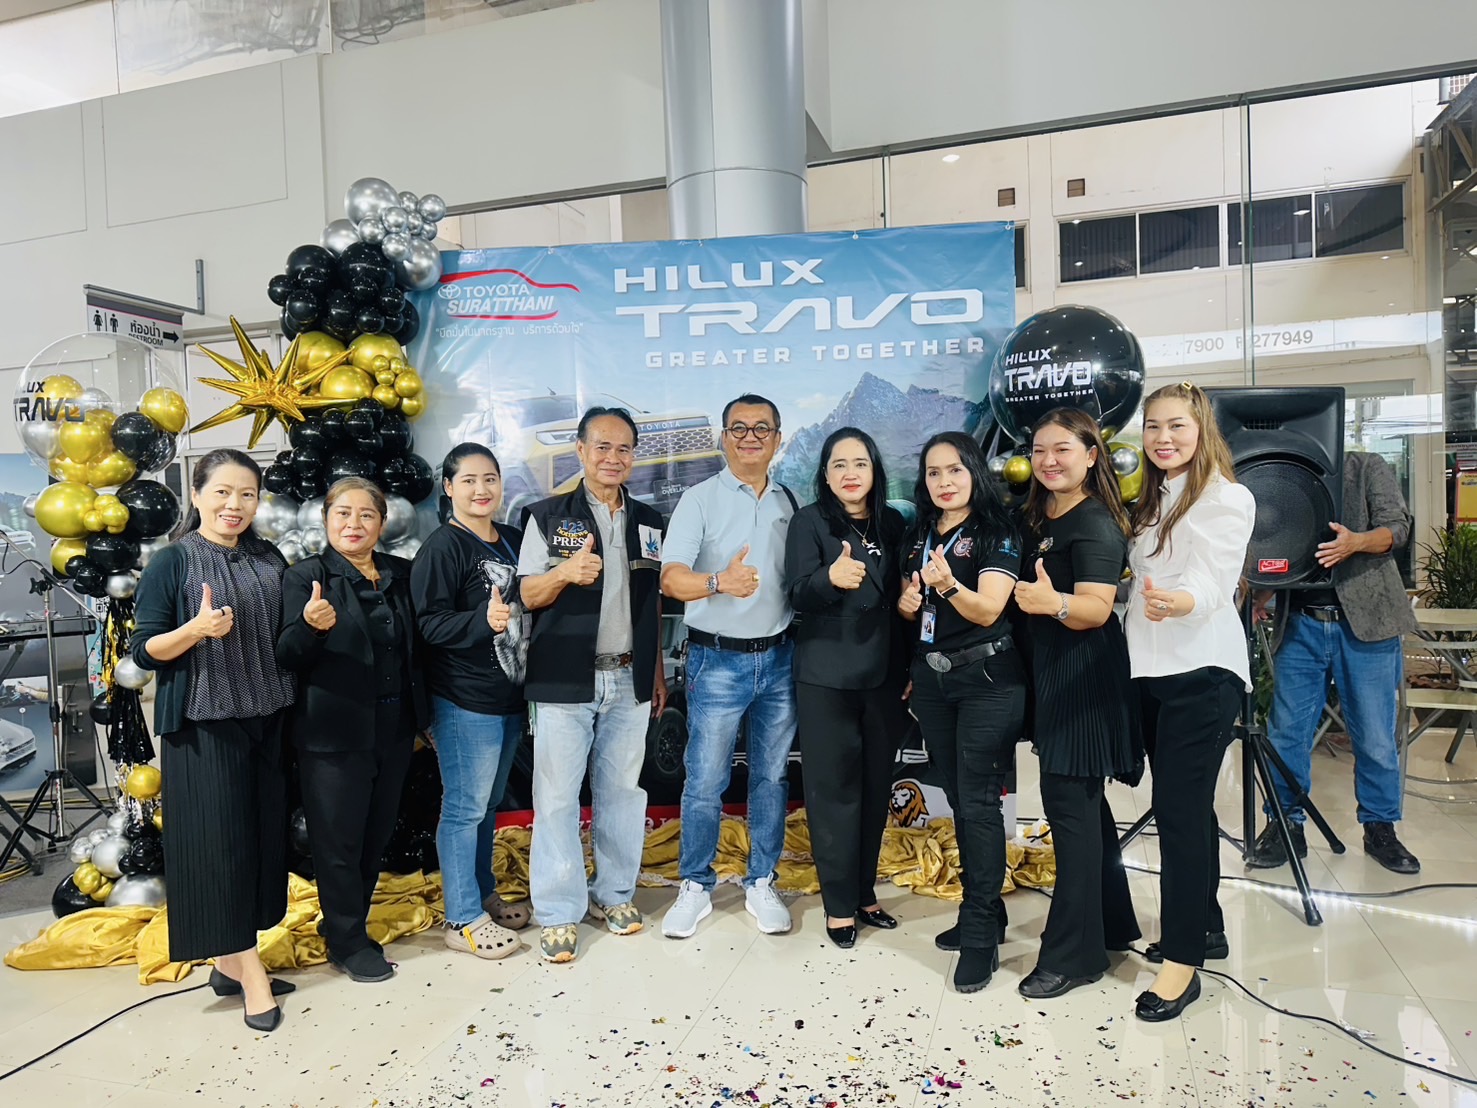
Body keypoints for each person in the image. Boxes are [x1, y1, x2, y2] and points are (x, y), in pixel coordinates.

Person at [131, 449, 295, 1032]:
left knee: (259, 847)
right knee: (219, 852)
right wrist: (195, 630)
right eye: (222, 492)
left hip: (269, 719)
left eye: (247, 494)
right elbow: (144, 649)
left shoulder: (269, 556)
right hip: (204, 727)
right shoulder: (172, 561)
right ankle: (251, 977)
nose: (235, 504)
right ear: (197, 495)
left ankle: (229, 964)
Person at [1124, 383, 1255, 1021]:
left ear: (1201, 428)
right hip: (1150, 672)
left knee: (1177, 814)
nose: (1163, 438)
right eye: (1153, 426)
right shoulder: (1151, 500)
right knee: (1187, 808)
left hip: (1202, 673)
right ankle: (1205, 924)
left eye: (1176, 425)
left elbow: (1213, 578)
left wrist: (1180, 601)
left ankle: (1181, 963)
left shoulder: (1227, 498)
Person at [518, 407, 667, 963]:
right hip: (563, 677)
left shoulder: (649, 520)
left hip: (630, 676)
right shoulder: (546, 516)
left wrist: (655, 671)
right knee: (557, 797)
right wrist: (563, 573)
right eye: (602, 446)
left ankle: (615, 894)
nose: (613, 458)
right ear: (580, 451)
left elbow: (653, 603)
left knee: (623, 793)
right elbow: (525, 594)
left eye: (624, 448)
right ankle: (559, 911)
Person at [276, 477, 430, 983]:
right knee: (338, 842)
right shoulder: (306, 577)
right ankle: (347, 941)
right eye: (343, 513)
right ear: (326, 519)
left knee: (374, 836)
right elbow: (287, 654)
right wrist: (310, 626)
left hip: (395, 728)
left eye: (366, 514)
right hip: (332, 733)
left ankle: (346, 925)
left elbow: (421, 646)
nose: (354, 524)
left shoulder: (401, 574)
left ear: (382, 523)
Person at [1012, 407, 1142, 1000]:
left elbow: (1096, 608)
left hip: (1083, 679)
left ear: (1091, 456)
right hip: (1054, 674)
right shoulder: (1042, 514)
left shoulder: (1094, 521)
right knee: (1086, 812)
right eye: (1039, 450)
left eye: (1062, 449)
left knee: (1070, 814)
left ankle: (1073, 956)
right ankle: (1110, 926)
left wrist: (1053, 603)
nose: (1049, 460)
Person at [659, 393, 799, 940]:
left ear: (777, 439)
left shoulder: (790, 501)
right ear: (723, 438)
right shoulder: (698, 500)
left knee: (770, 776)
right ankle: (695, 884)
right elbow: (671, 579)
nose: (749, 438)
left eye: (762, 428)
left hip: (780, 658)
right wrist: (719, 582)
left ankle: (761, 878)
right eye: (738, 428)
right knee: (705, 779)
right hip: (716, 659)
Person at [896, 431, 1026, 992]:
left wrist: (948, 587)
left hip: (987, 680)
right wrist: (908, 604)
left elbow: (989, 609)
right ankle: (987, 913)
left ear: (974, 471)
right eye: (933, 472)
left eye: (954, 470)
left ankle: (978, 936)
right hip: (933, 681)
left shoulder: (998, 531)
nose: (944, 482)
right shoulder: (919, 533)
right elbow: (915, 607)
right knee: (958, 796)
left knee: (976, 802)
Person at [1250, 451, 1420, 875]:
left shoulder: (1366, 466)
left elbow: (1397, 529)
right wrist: (1262, 593)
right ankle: (1285, 824)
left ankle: (1380, 829)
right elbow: (1285, 545)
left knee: (1375, 737)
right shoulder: (1286, 472)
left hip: (1368, 624)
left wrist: (1355, 542)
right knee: (1287, 734)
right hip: (1301, 622)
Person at [784, 427, 909, 950]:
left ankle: (864, 893)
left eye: (860, 463)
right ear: (825, 474)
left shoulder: (894, 522)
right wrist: (828, 580)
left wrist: (909, 668)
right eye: (839, 464)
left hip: (884, 677)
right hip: (826, 679)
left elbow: (904, 600)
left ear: (875, 470)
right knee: (833, 793)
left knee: (876, 790)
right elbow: (796, 594)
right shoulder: (810, 522)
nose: (850, 473)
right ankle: (838, 905)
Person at [411, 444, 530, 960]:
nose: (481, 490)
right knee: (464, 808)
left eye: (490, 479)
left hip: (509, 696)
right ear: (449, 487)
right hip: (463, 701)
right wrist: (481, 620)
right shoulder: (443, 547)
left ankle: (481, 895)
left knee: (486, 807)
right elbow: (428, 624)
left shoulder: (514, 540)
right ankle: (461, 918)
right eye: (469, 480)